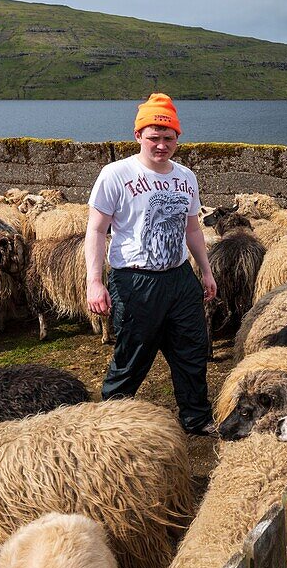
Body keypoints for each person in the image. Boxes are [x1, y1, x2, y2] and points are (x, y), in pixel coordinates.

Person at [85, 93, 218, 436]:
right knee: (132, 357)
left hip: (179, 278)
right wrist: (94, 281)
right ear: (138, 137)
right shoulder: (115, 174)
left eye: (168, 137)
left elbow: (192, 227)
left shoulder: (186, 177)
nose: (161, 145)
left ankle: (196, 418)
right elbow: (97, 230)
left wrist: (205, 270)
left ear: (178, 138)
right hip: (135, 280)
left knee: (191, 352)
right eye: (153, 137)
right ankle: (112, 422)